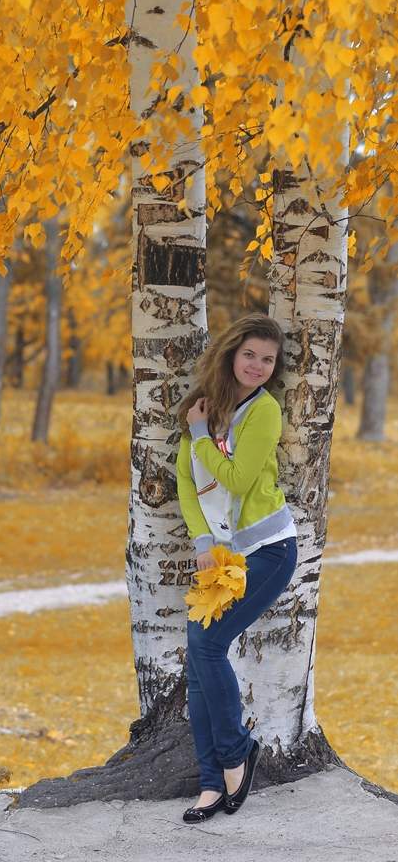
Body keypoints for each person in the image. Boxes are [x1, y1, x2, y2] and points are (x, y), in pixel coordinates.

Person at [174, 313, 298, 823]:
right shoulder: (205, 406)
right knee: (200, 665)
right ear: (231, 354)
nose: (258, 366)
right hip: (220, 556)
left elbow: (241, 479)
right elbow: (185, 479)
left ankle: (235, 753)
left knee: (207, 645)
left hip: (267, 550)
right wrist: (201, 539)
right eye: (250, 354)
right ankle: (211, 785)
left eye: (268, 359)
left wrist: (201, 434)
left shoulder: (263, 412)